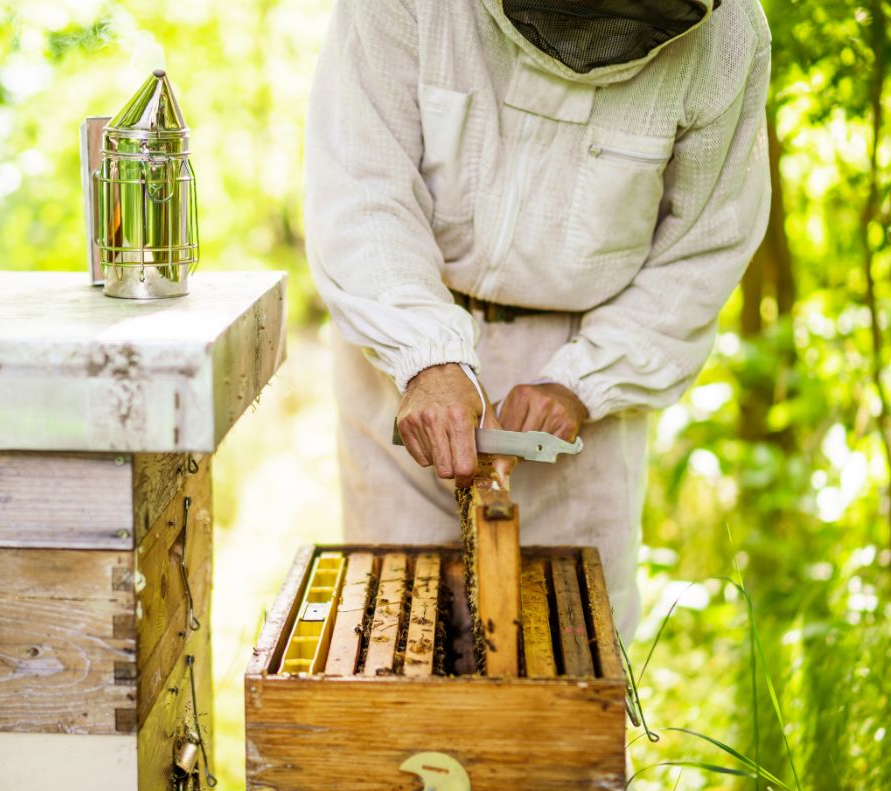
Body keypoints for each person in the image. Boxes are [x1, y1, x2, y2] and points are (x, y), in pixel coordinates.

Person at [305, 0, 771, 639]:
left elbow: (705, 247)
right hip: (404, 359)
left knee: (574, 663)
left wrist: (583, 383)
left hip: (586, 375)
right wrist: (424, 355)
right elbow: (362, 189)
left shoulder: (729, 38)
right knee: (397, 640)